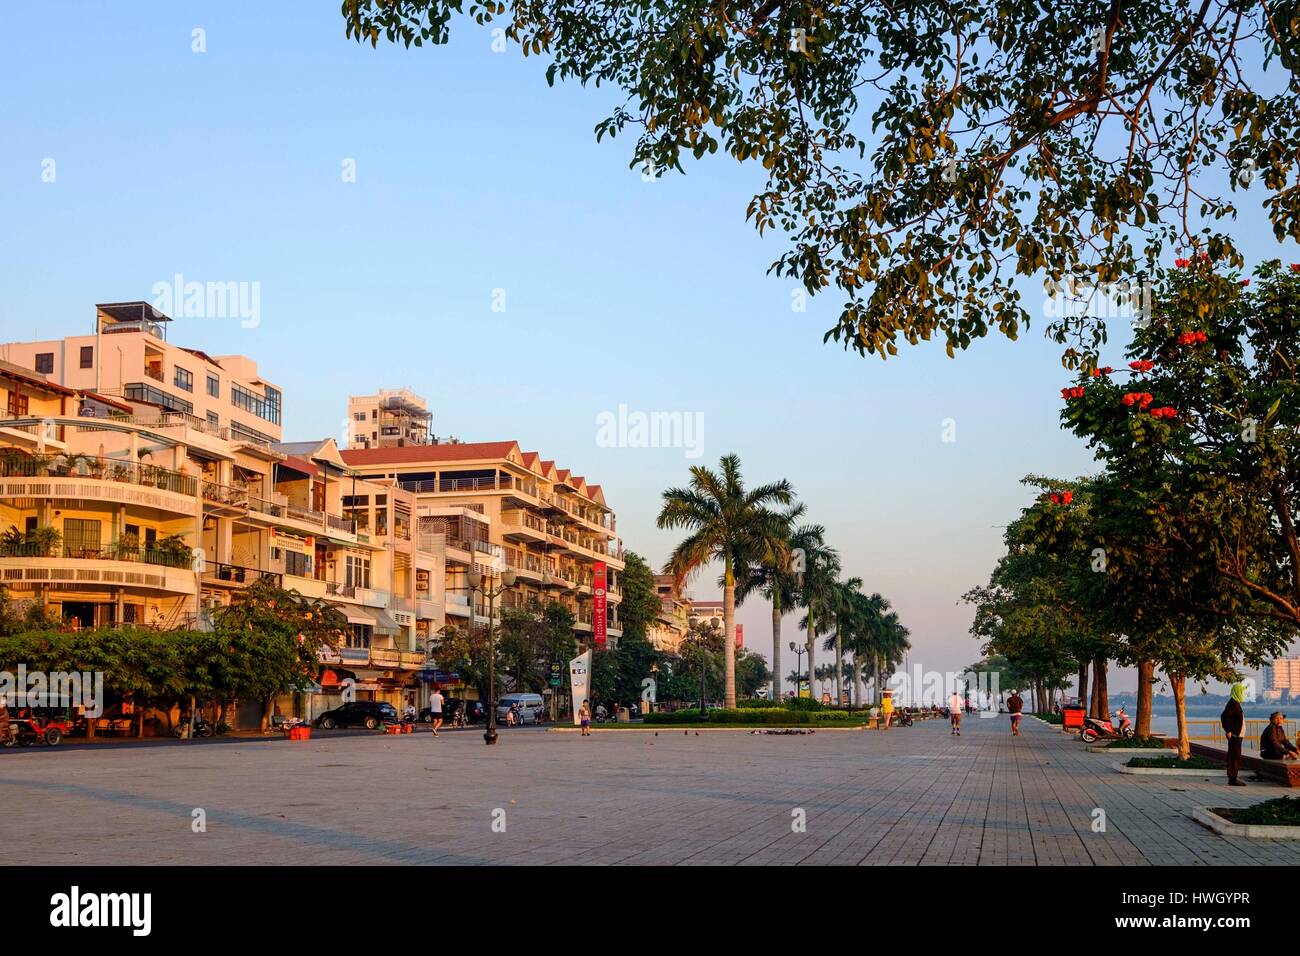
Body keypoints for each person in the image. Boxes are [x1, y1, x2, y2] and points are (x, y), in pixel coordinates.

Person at [1220, 682, 1247, 786]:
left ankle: (1233, 777)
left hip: (1237, 735)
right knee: (1234, 756)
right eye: (1242, 691)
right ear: (1237, 692)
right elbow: (1224, 716)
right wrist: (1228, 731)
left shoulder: (1236, 703)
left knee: (1235, 756)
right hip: (1235, 735)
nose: (1244, 693)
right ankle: (1233, 778)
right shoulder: (1233, 703)